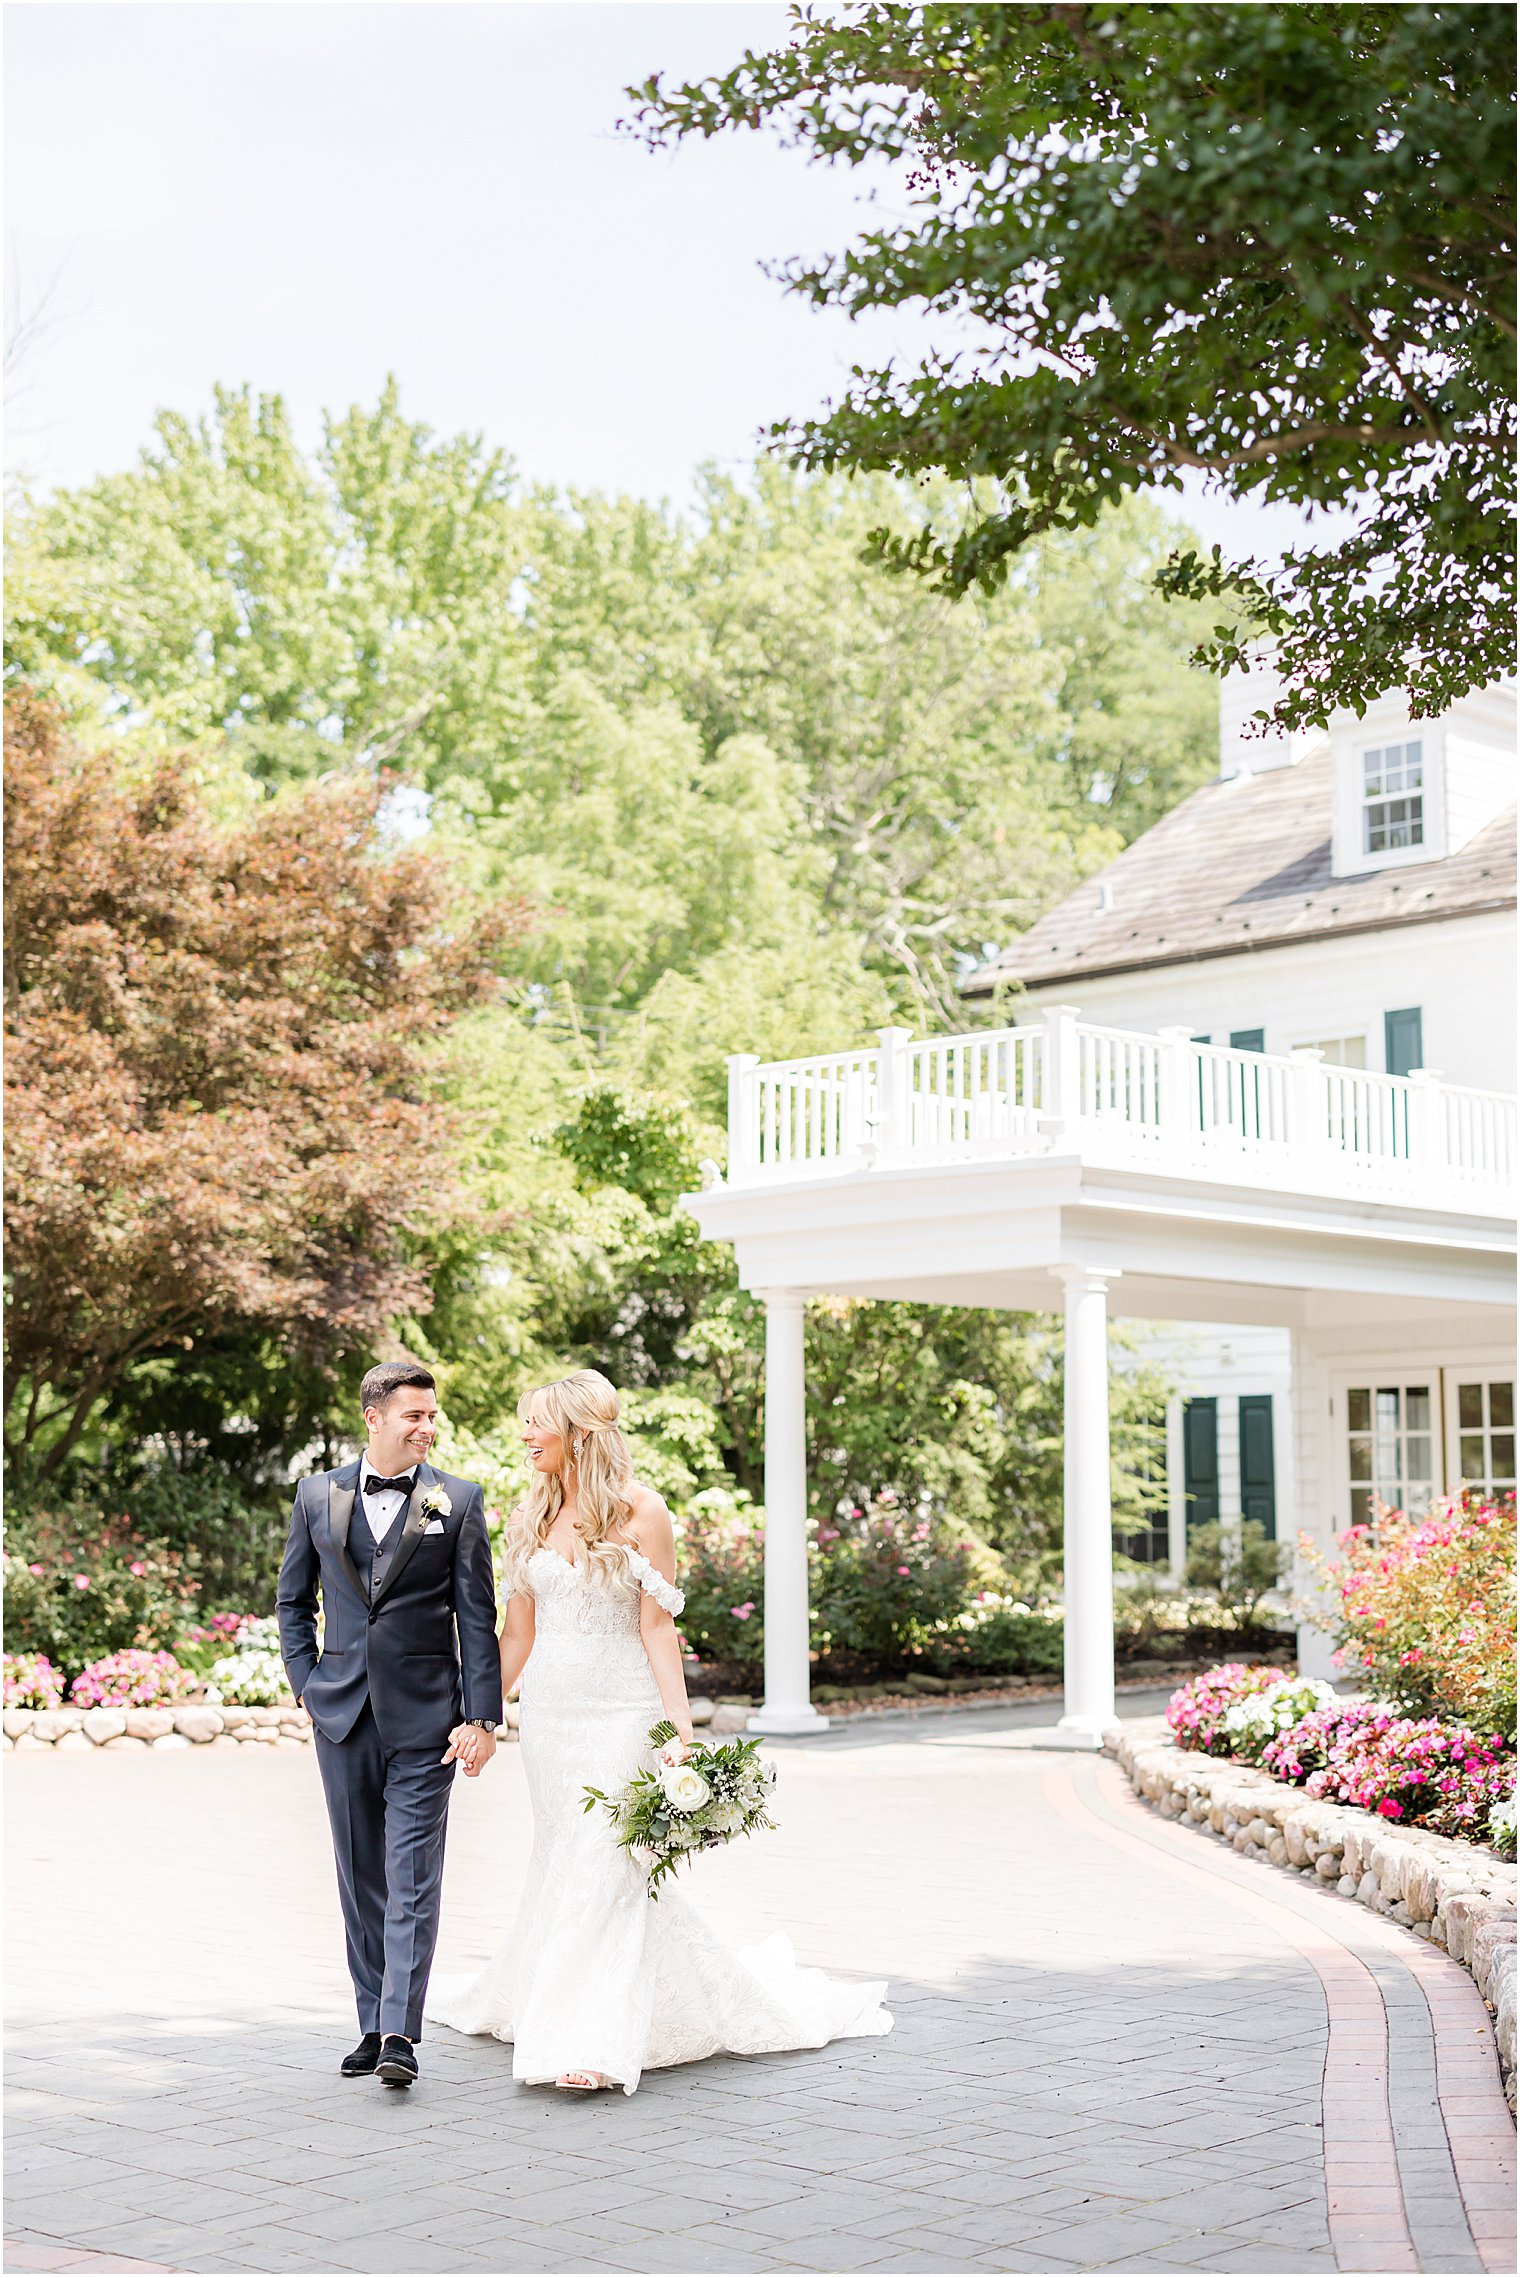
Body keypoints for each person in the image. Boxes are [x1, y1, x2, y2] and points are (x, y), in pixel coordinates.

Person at [426, 1367, 891, 2093]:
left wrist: (679, 1725)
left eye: (534, 1423)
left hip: (622, 1712)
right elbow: (514, 1636)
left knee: (607, 1859)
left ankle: (591, 2036)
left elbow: (656, 1624)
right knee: (564, 1855)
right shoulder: (529, 1513)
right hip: (551, 1718)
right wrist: (480, 1712)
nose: (523, 1435)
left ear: (578, 1432)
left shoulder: (645, 1512)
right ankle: (560, 1996)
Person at [277, 1360, 502, 2089]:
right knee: (359, 1873)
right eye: (414, 1415)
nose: (427, 1427)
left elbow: (477, 1616)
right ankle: (372, 2020)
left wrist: (482, 1715)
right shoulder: (318, 1495)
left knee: (410, 1874)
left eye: (432, 1416)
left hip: (427, 1720)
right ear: (373, 1415)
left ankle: (402, 2030)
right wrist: (306, 1684)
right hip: (339, 1713)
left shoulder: (458, 1502)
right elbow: (291, 1603)